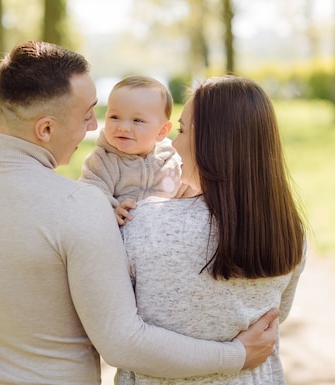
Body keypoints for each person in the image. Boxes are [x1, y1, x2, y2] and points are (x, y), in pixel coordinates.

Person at [0, 41, 282, 385]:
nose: (95, 128)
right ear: (46, 128)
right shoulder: (77, 205)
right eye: (87, 115)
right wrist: (235, 355)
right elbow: (124, 341)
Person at [116, 75, 308, 385]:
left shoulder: (144, 224)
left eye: (180, 130)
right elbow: (274, 321)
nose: (171, 144)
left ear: (212, 143)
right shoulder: (288, 231)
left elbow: (119, 340)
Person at [80, 75, 180, 225]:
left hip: (163, 230)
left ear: (162, 131)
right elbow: (91, 193)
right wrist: (112, 211)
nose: (123, 127)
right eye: (115, 117)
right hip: (122, 233)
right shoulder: (103, 159)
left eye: (137, 120)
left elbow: (189, 189)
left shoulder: (170, 157)